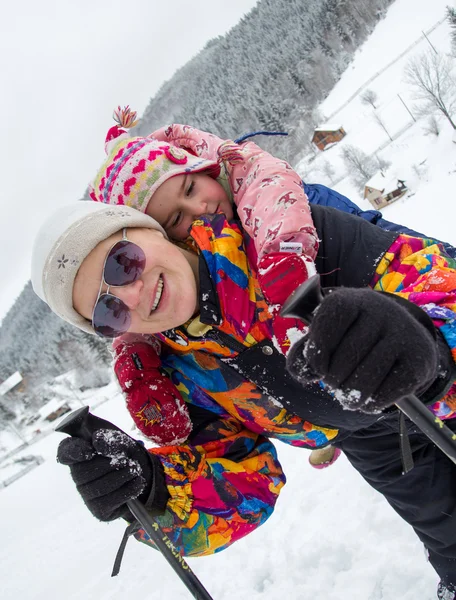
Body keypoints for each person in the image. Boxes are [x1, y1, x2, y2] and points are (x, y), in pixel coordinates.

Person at [31, 199, 456, 598]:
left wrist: (428, 345)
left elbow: (438, 279)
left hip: (430, 387)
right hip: (370, 441)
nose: (131, 296)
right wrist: (155, 489)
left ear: (149, 230)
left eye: (122, 263)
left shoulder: (285, 238)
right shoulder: (178, 370)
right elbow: (246, 482)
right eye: (108, 312)